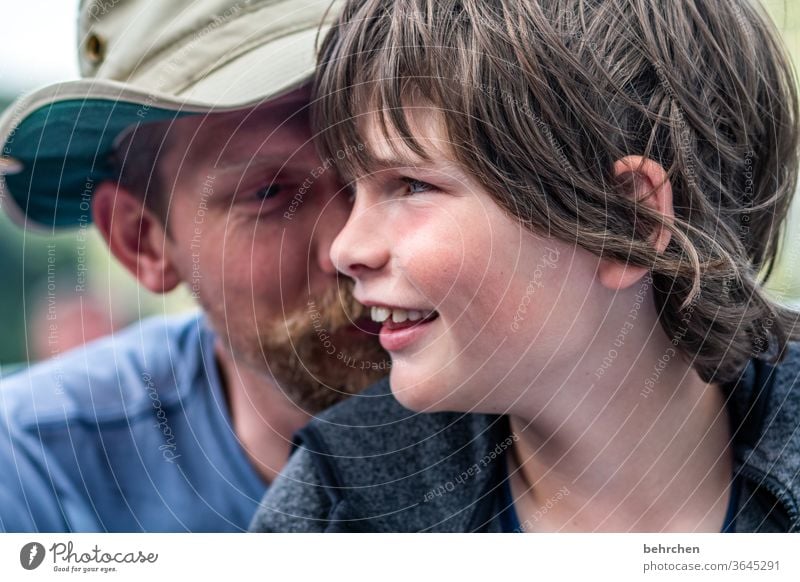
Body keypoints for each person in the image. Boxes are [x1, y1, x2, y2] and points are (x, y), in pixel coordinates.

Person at [251, 0, 800, 532]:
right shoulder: (338, 512)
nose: (345, 249)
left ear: (628, 222)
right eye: (354, 191)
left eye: (413, 185)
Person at [0, 0, 387, 532]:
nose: (353, 244)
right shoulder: (35, 476)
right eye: (269, 192)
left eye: (392, 169)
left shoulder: (536, 410)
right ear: (143, 241)